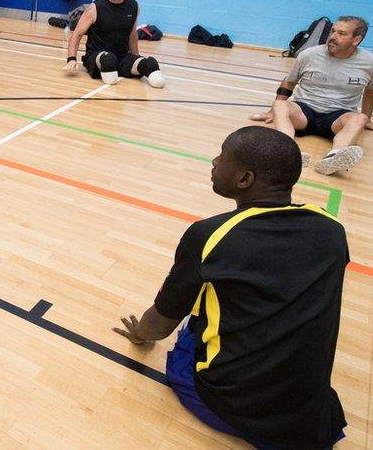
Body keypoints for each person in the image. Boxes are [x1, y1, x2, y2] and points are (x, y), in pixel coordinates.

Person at [113, 126, 348, 448]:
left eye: (222, 158)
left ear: (244, 180)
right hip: (311, 410)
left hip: (229, 403)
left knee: (191, 323)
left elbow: (159, 326)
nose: (213, 161)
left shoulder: (210, 236)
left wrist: (140, 335)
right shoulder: (332, 229)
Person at [249, 16, 373, 175]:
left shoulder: (372, 63)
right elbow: (289, 82)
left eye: (341, 33)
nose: (333, 36)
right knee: (279, 105)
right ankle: (288, 152)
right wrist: (273, 111)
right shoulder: (309, 55)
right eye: (333, 31)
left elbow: (372, 92)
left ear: (356, 40)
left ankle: (333, 158)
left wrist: (367, 117)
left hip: (338, 117)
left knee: (359, 118)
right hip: (304, 112)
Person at [64, 0, 165, 88]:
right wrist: (71, 59)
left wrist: (135, 57)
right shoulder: (95, 8)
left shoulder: (133, 6)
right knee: (109, 61)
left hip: (122, 57)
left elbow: (132, 34)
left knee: (150, 64)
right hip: (97, 56)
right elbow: (77, 34)